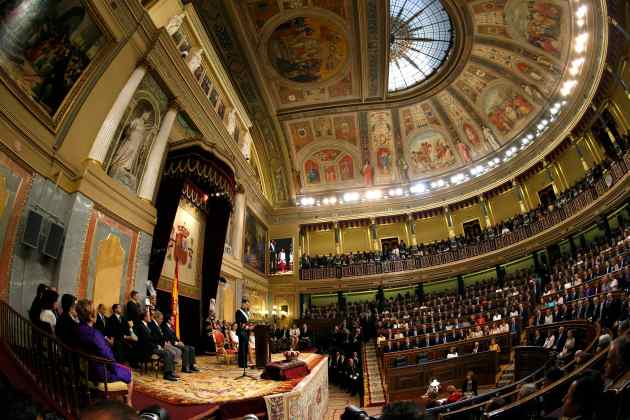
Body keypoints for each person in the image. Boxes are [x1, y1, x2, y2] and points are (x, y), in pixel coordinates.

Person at [74, 299, 133, 404]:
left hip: (85, 370)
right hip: (100, 373)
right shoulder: (94, 334)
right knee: (129, 373)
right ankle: (128, 405)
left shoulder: (77, 329)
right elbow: (108, 356)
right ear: (91, 315)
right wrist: (115, 369)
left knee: (122, 368)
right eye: (95, 311)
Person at [133, 310, 178, 381]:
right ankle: (167, 374)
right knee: (167, 353)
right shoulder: (141, 326)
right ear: (144, 317)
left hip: (151, 346)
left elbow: (151, 338)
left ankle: (170, 372)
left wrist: (157, 345)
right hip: (147, 349)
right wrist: (157, 346)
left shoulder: (146, 325)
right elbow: (146, 340)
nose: (150, 317)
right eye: (148, 316)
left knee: (169, 352)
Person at [235, 299, 251, 368]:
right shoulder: (239, 311)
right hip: (241, 332)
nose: (247, 306)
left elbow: (248, 322)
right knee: (242, 348)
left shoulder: (247, 312)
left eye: (248, 304)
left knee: (246, 348)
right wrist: (246, 326)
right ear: (243, 304)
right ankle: (241, 364)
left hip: (247, 332)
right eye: (246, 304)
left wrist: (250, 326)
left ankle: (245, 362)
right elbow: (239, 322)